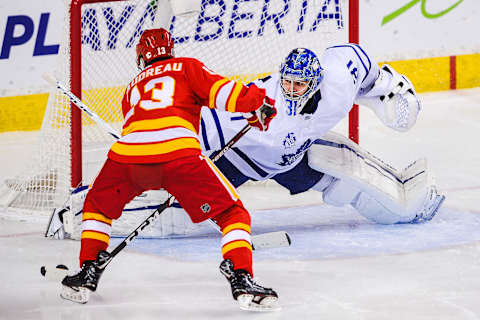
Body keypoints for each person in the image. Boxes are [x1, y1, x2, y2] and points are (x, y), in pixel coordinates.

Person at [59, 28, 280, 311]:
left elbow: (136, 125)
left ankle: (88, 269)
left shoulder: (131, 87)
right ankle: (241, 276)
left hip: (128, 157)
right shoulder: (187, 66)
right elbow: (226, 94)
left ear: (141, 56)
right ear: (170, 50)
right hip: (179, 155)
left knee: (96, 206)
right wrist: (258, 103)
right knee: (232, 212)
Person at [196, 45, 445, 225]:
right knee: (187, 212)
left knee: (345, 185)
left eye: (300, 84)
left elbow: (361, 64)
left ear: (315, 82)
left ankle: (409, 206)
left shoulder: (339, 77)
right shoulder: (260, 105)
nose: (291, 90)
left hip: (291, 162)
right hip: (240, 162)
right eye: (287, 83)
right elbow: (198, 125)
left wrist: (386, 86)